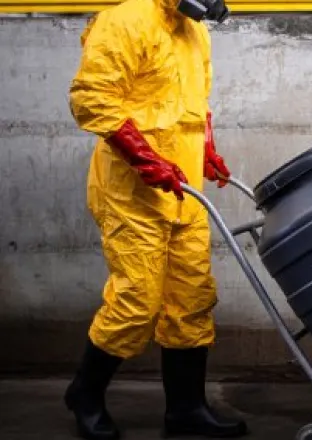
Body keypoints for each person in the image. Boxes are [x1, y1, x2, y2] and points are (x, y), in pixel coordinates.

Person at [63, 1, 245, 439]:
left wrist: (206, 150)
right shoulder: (126, 20)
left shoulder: (195, 30)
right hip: (132, 191)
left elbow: (196, 106)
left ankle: (186, 409)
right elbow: (93, 97)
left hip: (183, 190)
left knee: (192, 296)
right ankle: (85, 393)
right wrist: (143, 158)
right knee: (137, 300)